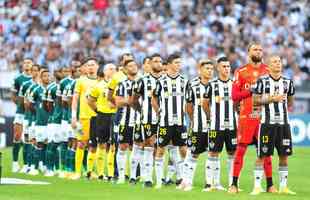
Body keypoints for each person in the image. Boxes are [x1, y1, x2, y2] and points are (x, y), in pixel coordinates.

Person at [229, 43, 276, 193]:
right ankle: (234, 184)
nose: (259, 51)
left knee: (265, 151)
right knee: (241, 150)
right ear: (248, 52)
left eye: (261, 49)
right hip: (247, 117)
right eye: (255, 49)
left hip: (264, 118)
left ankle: (270, 185)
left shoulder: (268, 71)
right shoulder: (241, 71)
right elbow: (235, 96)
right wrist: (251, 92)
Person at [253, 55, 296, 195]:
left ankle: (283, 187)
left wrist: (283, 106)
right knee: (262, 155)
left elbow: (290, 101)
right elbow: (255, 101)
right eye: (275, 62)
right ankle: (257, 186)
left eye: (279, 61)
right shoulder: (262, 81)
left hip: (284, 124)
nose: (278, 64)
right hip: (267, 124)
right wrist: (272, 99)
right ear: (269, 65)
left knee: (284, 155)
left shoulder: (288, 82)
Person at [152, 53, 189, 189]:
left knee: (184, 150)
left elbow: (189, 100)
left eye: (180, 63)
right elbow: (154, 99)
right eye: (176, 63)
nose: (179, 65)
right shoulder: (161, 81)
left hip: (180, 122)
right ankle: (159, 181)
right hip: (165, 122)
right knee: (160, 150)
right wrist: (159, 112)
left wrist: (185, 110)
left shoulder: (184, 81)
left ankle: (185, 179)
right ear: (169, 65)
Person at [202, 57, 237, 191]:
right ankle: (211, 183)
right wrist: (210, 116)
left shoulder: (234, 84)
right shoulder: (212, 85)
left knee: (232, 154)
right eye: (224, 66)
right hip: (216, 125)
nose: (227, 69)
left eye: (228, 66)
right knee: (213, 153)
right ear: (218, 68)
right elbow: (204, 103)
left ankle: (232, 184)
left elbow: (238, 103)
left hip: (232, 126)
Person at [179, 59, 214, 191]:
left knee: (212, 153)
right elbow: (188, 106)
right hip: (198, 126)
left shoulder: (215, 84)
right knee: (193, 153)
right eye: (207, 69)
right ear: (200, 70)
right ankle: (187, 181)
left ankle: (210, 183)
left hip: (213, 127)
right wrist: (194, 119)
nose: (210, 71)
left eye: (211, 69)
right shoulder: (192, 84)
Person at [132, 54, 163, 187]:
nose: (159, 64)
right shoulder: (142, 80)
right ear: (149, 64)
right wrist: (142, 112)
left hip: (163, 119)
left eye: (160, 61)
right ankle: (148, 178)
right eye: (156, 61)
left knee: (160, 147)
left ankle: (160, 177)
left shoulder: (165, 80)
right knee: (150, 144)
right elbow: (134, 100)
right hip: (148, 118)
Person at [71, 58, 99, 180]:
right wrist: (73, 117)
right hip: (83, 117)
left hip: (98, 117)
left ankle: (90, 171)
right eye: (88, 65)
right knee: (81, 143)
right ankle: (77, 172)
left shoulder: (101, 81)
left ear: (97, 66)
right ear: (85, 68)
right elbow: (75, 99)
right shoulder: (80, 81)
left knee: (95, 145)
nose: (91, 67)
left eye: (93, 65)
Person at [87, 63, 117, 180]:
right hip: (102, 116)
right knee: (101, 144)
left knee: (113, 145)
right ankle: (100, 173)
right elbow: (90, 100)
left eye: (114, 68)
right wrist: (98, 110)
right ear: (104, 72)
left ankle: (110, 173)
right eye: (110, 68)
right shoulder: (98, 86)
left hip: (115, 116)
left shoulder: (119, 85)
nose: (113, 70)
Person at [114, 59, 138, 184]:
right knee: (123, 147)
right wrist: (131, 101)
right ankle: (122, 176)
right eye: (130, 66)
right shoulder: (122, 84)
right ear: (124, 69)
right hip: (125, 121)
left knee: (137, 148)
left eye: (134, 65)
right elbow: (118, 102)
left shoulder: (143, 83)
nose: (133, 67)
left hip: (140, 121)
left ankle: (133, 177)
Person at [11, 58, 33, 173]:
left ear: (33, 65)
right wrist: (20, 105)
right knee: (17, 136)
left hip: (32, 113)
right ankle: (15, 163)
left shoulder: (36, 80)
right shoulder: (18, 79)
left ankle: (26, 165)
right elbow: (13, 95)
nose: (27, 64)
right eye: (25, 62)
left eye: (29, 62)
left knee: (27, 139)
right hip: (20, 112)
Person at [17, 63, 40, 173]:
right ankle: (26, 164)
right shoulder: (26, 85)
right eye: (33, 70)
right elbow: (24, 102)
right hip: (28, 117)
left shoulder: (44, 86)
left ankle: (36, 164)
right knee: (26, 141)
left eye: (37, 70)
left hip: (39, 119)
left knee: (37, 141)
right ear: (30, 72)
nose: (35, 72)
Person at [27, 68, 50, 175]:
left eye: (48, 76)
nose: (47, 78)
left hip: (50, 122)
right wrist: (38, 112)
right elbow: (29, 104)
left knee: (47, 144)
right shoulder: (36, 89)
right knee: (39, 144)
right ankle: (34, 168)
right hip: (40, 121)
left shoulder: (52, 89)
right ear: (41, 78)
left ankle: (44, 166)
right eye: (45, 76)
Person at [44, 68, 64, 177]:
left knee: (64, 144)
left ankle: (59, 168)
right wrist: (54, 115)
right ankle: (49, 168)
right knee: (52, 144)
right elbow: (47, 105)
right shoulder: (51, 88)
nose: (61, 73)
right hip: (55, 121)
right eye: (60, 72)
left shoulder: (70, 85)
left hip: (66, 120)